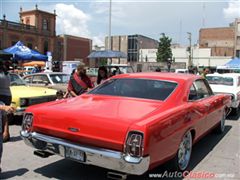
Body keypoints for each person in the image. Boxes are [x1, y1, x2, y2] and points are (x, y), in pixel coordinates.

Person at [0, 103, 15, 172]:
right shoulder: (2, 105)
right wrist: (3, 107)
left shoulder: (1, 103)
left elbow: (5, 118)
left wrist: (6, 131)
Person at [0, 61, 12, 142]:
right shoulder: (7, 74)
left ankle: (5, 134)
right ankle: (6, 133)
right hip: (8, 94)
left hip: (2, 95)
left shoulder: (0, 75)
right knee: (5, 115)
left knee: (3, 116)